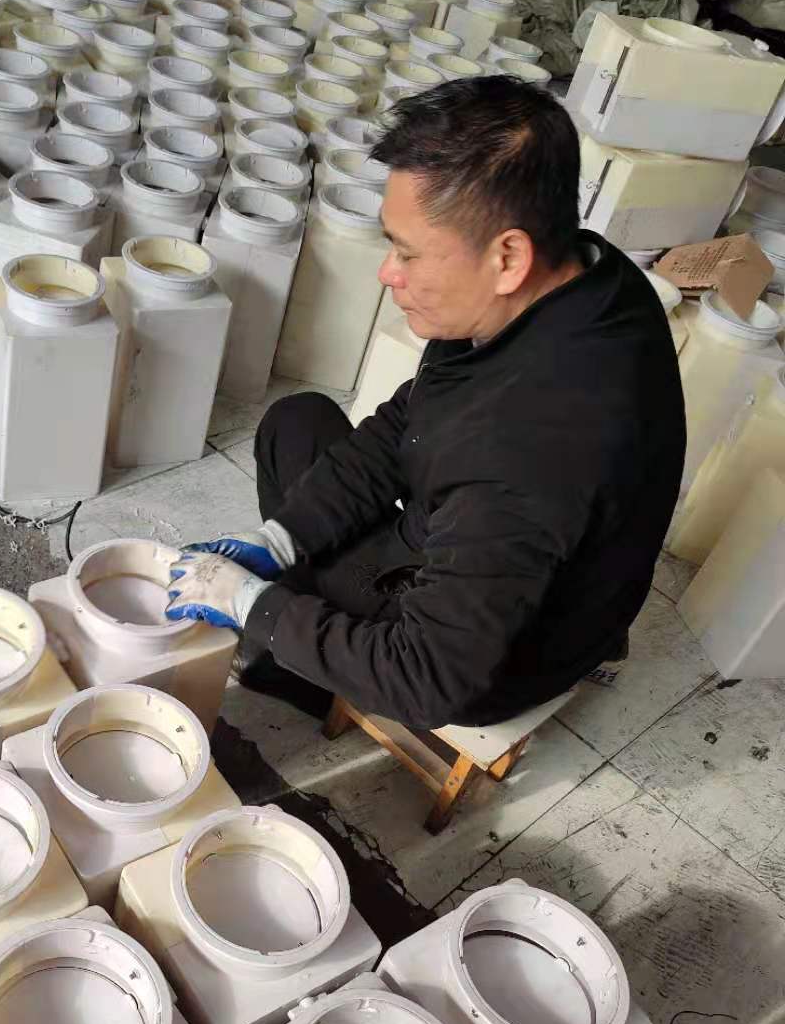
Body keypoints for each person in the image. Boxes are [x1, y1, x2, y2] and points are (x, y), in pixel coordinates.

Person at [166, 76, 686, 734]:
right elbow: (409, 421)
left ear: (508, 256)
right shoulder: (582, 276)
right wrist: (279, 539)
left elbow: (429, 678)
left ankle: (308, 679)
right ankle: (307, 627)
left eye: (408, 253)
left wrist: (254, 606)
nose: (388, 272)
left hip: (489, 656)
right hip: (480, 536)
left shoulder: (535, 447)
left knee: (294, 606)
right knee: (295, 425)